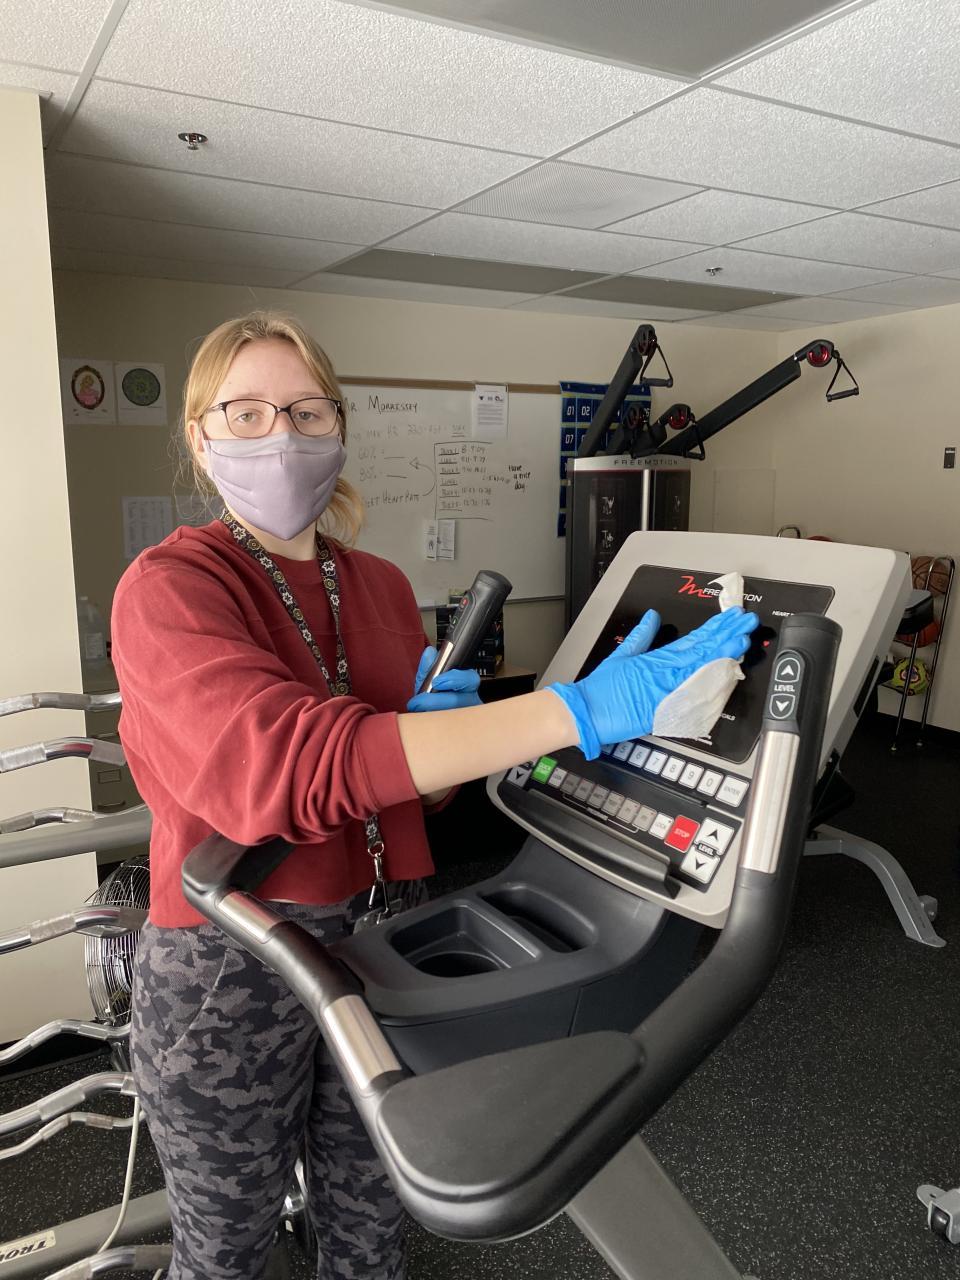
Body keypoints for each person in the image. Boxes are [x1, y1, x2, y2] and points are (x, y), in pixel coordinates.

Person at [111, 310, 758, 1280]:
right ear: (201, 439)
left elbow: (410, 796)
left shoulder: (375, 583)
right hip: (235, 956)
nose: (281, 435)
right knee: (227, 1245)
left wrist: (439, 756)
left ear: (338, 427)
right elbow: (280, 768)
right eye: (246, 413)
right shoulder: (172, 585)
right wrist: (578, 709)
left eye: (306, 411)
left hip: (387, 930)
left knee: (374, 1219)